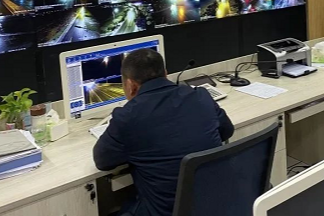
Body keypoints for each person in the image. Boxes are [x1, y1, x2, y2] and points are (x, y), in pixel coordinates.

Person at [94, 48, 235, 216]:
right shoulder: (201, 96)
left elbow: (102, 161)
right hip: (216, 205)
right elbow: (227, 130)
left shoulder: (127, 117)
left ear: (131, 85)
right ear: (166, 74)